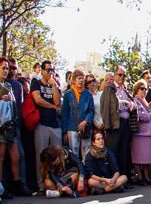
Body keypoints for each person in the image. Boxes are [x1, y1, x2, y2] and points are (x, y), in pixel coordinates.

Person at [0, 57, 30, 196]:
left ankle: (18, 184)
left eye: (7, 68)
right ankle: (2, 188)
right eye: (3, 68)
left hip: (11, 125)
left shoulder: (10, 86)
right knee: (1, 157)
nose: (6, 71)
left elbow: (16, 106)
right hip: (0, 125)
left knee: (16, 156)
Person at [31, 59, 62, 192]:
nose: (51, 73)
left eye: (52, 70)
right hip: (41, 123)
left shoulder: (54, 84)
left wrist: (54, 85)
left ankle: (60, 181)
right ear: (42, 70)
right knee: (41, 155)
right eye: (48, 70)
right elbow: (37, 100)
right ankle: (41, 185)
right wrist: (52, 107)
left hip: (55, 124)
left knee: (58, 154)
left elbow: (57, 102)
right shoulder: (36, 82)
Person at [101, 66, 134, 181]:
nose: (122, 77)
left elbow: (132, 105)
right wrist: (125, 104)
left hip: (125, 123)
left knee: (125, 152)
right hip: (114, 124)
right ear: (114, 75)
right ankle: (113, 178)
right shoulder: (109, 88)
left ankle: (124, 178)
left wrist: (129, 104)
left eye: (124, 75)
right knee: (113, 152)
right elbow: (109, 106)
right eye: (120, 74)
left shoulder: (125, 89)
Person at [60, 69, 94, 161]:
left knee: (86, 153)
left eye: (82, 78)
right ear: (74, 80)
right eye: (79, 78)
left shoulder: (88, 94)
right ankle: (76, 173)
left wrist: (85, 121)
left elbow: (91, 111)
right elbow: (64, 114)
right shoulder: (68, 94)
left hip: (85, 128)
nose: (81, 80)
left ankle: (86, 174)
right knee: (73, 153)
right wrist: (64, 131)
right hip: (72, 128)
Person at [130, 80, 151, 185]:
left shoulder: (144, 100)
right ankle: (140, 176)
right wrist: (150, 114)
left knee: (147, 157)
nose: (144, 91)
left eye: (146, 89)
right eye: (142, 88)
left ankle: (146, 176)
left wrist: (150, 112)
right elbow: (141, 116)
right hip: (139, 133)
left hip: (147, 133)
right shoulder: (135, 100)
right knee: (138, 157)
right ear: (136, 89)